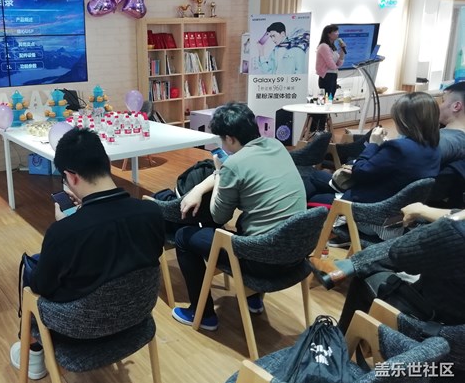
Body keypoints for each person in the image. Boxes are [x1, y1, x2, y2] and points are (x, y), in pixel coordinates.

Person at [10, 127, 165, 379]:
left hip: (76, 333)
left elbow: (42, 287)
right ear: (106, 162)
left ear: (71, 177)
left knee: (34, 268)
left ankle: (34, 352)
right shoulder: (152, 213)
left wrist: (67, 224)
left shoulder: (64, 233)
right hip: (136, 319)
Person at [171, 103, 306, 331]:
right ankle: (253, 297)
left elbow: (218, 216)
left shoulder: (234, 164)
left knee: (184, 237)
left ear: (230, 139)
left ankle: (202, 314)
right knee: (248, 221)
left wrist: (218, 172)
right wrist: (205, 184)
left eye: (222, 140)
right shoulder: (276, 145)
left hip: (264, 261)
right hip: (296, 252)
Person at [309, 203, 465, 333]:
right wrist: (425, 210)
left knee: (367, 274)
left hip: (436, 324)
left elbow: (400, 254)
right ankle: (351, 265)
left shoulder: (455, 230)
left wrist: (446, 222)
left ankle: (342, 337)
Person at [305, 92, 441, 205]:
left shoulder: (398, 148)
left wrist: (373, 144)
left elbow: (361, 172)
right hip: (394, 204)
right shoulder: (434, 148)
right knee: (314, 176)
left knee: (313, 192)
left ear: (404, 121)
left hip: (368, 205)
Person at [315, 24, 345, 99]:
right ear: (328, 34)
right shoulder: (323, 46)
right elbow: (331, 64)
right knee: (327, 100)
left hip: (333, 76)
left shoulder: (332, 47)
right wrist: (336, 67)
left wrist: (342, 50)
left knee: (330, 100)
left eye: (337, 31)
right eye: (335, 31)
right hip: (326, 76)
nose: (337, 33)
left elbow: (339, 63)